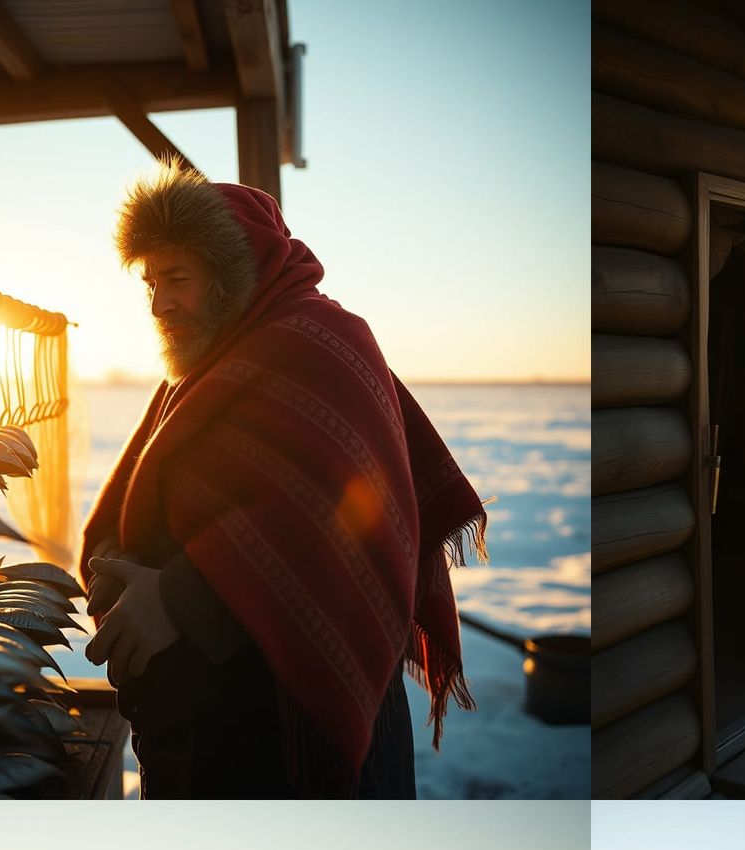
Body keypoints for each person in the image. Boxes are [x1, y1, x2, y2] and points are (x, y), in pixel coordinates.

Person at [80, 159, 487, 798]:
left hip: (290, 728)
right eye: (150, 281)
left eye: (178, 279)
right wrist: (115, 568)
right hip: (205, 730)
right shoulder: (198, 364)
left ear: (231, 274)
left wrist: (180, 600)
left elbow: (340, 525)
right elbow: (142, 491)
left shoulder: (321, 343)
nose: (159, 303)